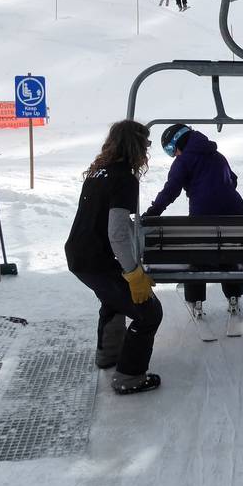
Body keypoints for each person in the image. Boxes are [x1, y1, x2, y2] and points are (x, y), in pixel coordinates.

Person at [64, 120, 163, 395]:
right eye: (145, 144)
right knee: (149, 313)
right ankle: (129, 377)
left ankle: (108, 354)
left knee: (114, 299)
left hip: (80, 254)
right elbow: (116, 232)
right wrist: (134, 274)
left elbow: (107, 221)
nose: (147, 149)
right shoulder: (125, 178)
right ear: (135, 145)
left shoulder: (97, 172)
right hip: (96, 258)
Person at [144, 124, 243, 317]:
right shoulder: (217, 155)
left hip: (203, 216)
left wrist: (153, 211)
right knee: (228, 250)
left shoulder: (183, 161)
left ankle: (196, 299)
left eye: (171, 150)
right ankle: (233, 295)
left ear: (177, 143)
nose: (173, 154)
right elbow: (232, 180)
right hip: (235, 213)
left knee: (196, 254)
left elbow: (171, 190)